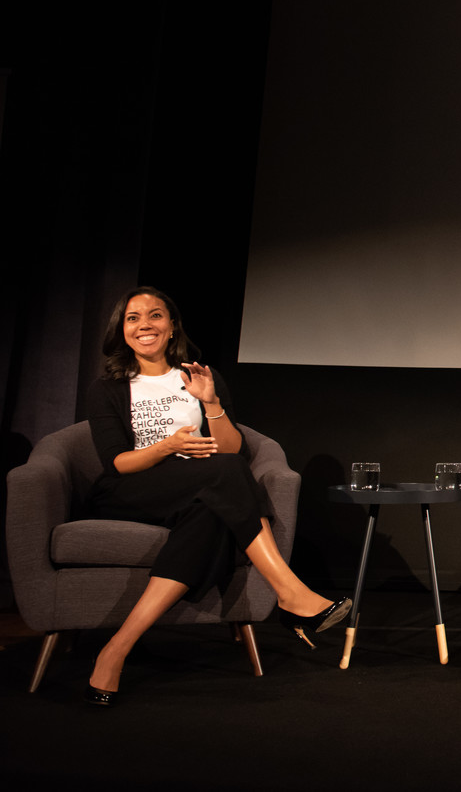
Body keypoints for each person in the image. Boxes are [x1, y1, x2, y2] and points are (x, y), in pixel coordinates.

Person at [83, 287, 350, 705]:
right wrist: (168, 447)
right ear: (122, 330)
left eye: (155, 316)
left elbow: (231, 450)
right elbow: (117, 462)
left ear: (172, 328)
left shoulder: (199, 375)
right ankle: (290, 592)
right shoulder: (110, 387)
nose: (144, 325)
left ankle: (115, 650)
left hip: (201, 487)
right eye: (133, 318)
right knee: (225, 476)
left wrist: (210, 403)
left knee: (212, 510)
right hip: (132, 487)